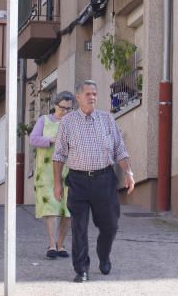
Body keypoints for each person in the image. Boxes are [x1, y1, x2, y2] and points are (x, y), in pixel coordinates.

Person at [53, 80, 135, 283]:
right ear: (78, 97)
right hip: (78, 181)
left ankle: (104, 255)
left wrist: (129, 172)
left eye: (95, 94)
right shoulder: (68, 122)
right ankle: (81, 269)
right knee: (79, 227)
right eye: (88, 94)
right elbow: (59, 155)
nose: (92, 97)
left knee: (110, 225)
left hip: (105, 180)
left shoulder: (107, 120)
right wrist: (57, 183)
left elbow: (120, 151)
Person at [29, 90, 75, 259]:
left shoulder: (73, 123)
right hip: (46, 172)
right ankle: (51, 245)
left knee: (67, 210)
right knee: (51, 209)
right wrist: (50, 140)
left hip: (69, 171)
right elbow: (33, 139)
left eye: (69, 109)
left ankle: (61, 245)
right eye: (62, 108)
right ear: (55, 105)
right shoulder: (44, 120)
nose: (65, 111)